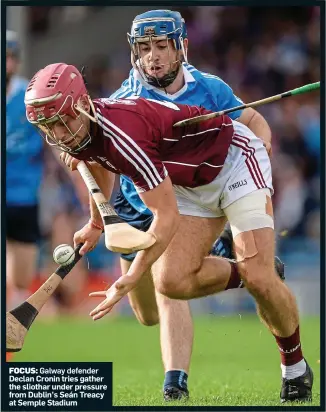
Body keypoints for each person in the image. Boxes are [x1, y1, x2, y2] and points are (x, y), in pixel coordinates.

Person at [24, 62, 313, 403]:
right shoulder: (80, 129)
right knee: (170, 282)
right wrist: (97, 223)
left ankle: (294, 368)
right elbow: (96, 163)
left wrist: (133, 274)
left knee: (258, 278)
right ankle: (250, 272)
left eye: (62, 120)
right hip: (191, 185)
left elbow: (166, 216)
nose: (58, 133)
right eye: (50, 125)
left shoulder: (124, 136)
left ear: (82, 104)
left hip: (233, 161)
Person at [108, 9, 283, 400]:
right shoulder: (125, 98)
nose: (152, 56)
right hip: (134, 202)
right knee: (145, 313)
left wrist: (263, 148)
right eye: (145, 48)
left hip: (176, 202)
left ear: (181, 47)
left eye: (162, 46)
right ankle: (233, 262)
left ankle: (175, 383)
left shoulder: (210, 88)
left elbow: (252, 120)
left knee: (169, 286)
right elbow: (96, 138)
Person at [6, 30, 43, 315]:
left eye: (10, 57)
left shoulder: (31, 97)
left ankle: (15, 330)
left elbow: (55, 144)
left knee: (21, 278)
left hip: (23, 197)